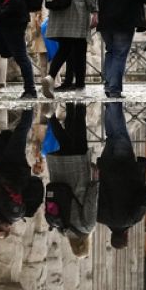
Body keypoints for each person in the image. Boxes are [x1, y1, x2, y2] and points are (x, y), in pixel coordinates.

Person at [97, 102, 146, 249]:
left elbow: (144, 198)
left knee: (120, 134)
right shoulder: (100, 217)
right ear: (112, 236)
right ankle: (109, 105)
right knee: (112, 136)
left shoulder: (132, 219)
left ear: (125, 236)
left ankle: (113, 100)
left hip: (126, 167)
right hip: (106, 166)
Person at [44, 102, 98, 256]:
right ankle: (55, 114)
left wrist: (96, 179)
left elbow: (90, 200)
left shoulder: (88, 227)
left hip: (78, 173)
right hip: (59, 172)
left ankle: (77, 100)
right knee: (65, 142)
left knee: (79, 129)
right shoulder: (61, 228)